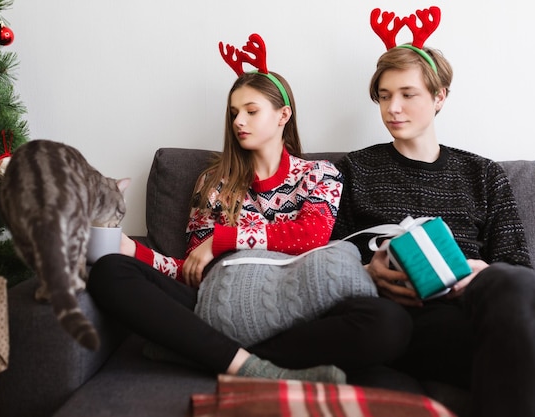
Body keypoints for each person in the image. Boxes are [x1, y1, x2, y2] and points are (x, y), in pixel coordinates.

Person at [87, 34, 411, 385]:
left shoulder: (321, 174)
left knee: (389, 323)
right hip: (217, 301)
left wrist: (224, 239)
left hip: (298, 306)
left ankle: (197, 351)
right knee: (109, 271)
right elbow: (193, 271)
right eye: (234, 113)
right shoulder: (213, 182)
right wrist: (132, 250)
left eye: (251, 111)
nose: (239, 121)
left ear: (283, 114)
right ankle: (254, 366)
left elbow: (310, 237)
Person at [332, 8, 535, 417]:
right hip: (401, 320)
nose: (393, 108)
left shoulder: (482, 173)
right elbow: (327, 260)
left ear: (439, 97)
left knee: (523, 290)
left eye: (408, 94)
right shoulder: (354, 169)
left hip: (480, 311)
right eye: (385, 96)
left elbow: (518, 269)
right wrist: (369, 272)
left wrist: (480, 270)